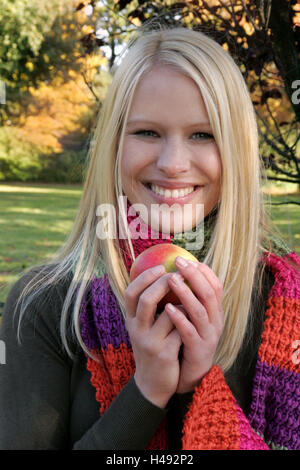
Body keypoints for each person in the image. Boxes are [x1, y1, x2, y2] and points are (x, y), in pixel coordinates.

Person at [0, 24, 299, 451]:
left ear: (236, 150)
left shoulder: (283, 303)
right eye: (146, 133)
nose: (173, 163)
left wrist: (200, 387)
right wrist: (146, 393)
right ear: (113, 146)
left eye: (203, 134)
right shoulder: (47, 303)